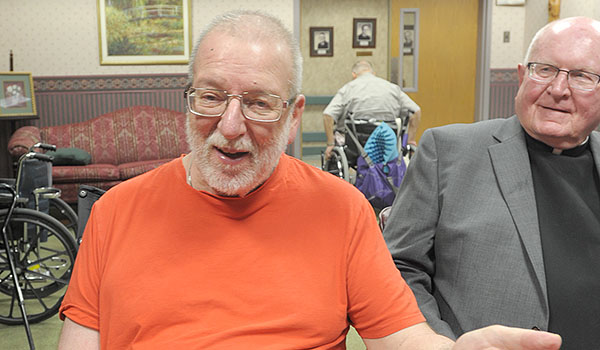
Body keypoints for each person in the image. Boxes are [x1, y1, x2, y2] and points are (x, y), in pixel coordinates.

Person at [57, 10, 561, 350]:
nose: (230, 126)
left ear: (295, 116)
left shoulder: (342, 210)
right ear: (188, 98)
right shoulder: (115, 212)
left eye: (258, 103)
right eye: (211, 97)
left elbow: (402, 338)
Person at [383, 16, 600, 350]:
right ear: (521, 75)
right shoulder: (447, 152)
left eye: (582, 76)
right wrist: (443, 345)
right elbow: (398, 267)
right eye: (544, 70)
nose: (558, 90)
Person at [323, 60, 421, 160]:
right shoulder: (392, 88)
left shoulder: (348, 89)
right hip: (387, 143)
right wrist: (410, 141)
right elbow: (415, 111)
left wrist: (330, 144)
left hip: (356, 146)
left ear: (354, 74)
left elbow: (328, 115)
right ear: (373, 73)